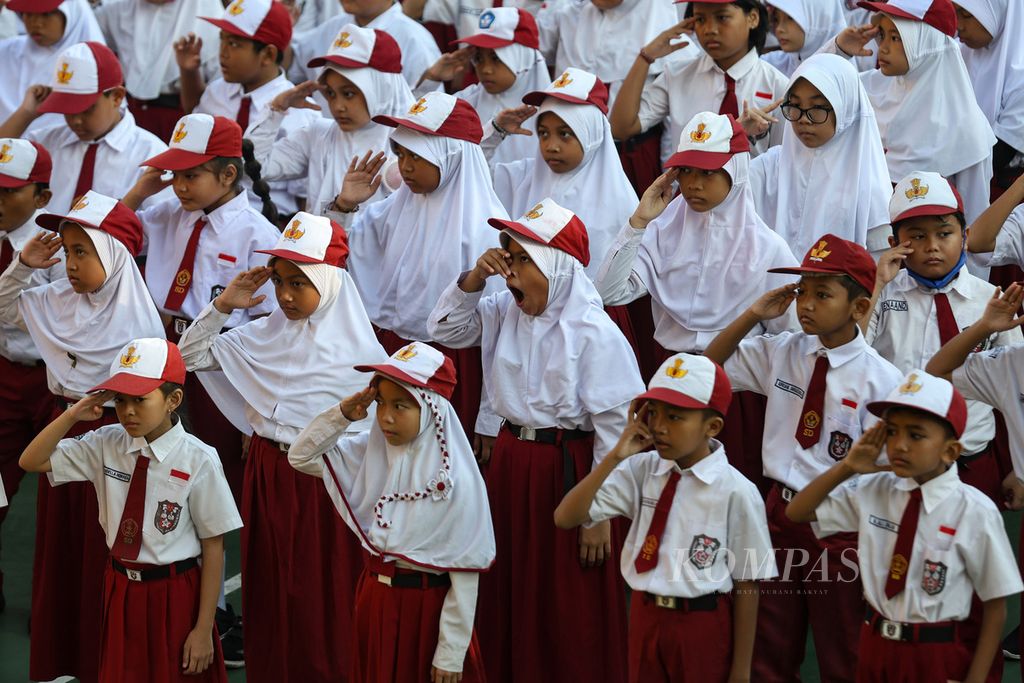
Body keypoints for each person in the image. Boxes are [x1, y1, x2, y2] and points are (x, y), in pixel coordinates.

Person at [428, 198, 645, 682]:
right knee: (508, 583)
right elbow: (444, 327)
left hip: (566, 473)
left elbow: (618, 430)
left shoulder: (594, 332)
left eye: (525, 260)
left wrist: (598, 515)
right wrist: (473, 279)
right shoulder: (506, 308)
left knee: (563, 598)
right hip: (511, 462)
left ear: (559, 269)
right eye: (510, 255)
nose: (512, 272)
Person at [178, 212, 386, 682]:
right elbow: (189, 357)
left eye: (299, 283)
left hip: (323, 485)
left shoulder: (363, 359)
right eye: (279, 281)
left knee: (320, 596)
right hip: (268, 476)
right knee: (270, 589)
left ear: (330, 283)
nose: (286, 296)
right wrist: (223, 307)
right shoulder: (263, 333)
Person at [703, 233, 903, 681]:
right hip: (776, 515)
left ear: (859, 308)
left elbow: (892, 474)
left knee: (843, 649)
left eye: (822, 294)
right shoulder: (784, 351)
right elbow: (708, 371)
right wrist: (752, 315)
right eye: (802, 292)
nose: (806, 304)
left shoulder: (883, 381)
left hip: (841, 527)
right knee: (769, 646)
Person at [0, 190, 163, 683]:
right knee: (62, 547)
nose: (70, 264)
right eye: (67, 251)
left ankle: (106, 658)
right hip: (63, 427)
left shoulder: (139, 326)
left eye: (82, 252)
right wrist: (22, 267)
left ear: (113, 256)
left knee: (105, 549)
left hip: (114, 438)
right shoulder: (58, 301)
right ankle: (66, 656)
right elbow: (7, 313)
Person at [19, 337, 243, 683]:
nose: (128, 411)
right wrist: (74, 413)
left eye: (140, 400)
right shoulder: (106, 442)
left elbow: (214, 547)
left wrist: (202, 629)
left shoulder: (199, 459)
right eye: (120, 400)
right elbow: (31, 460)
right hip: (120, 587)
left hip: (175, 592)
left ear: (174, 400)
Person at [597, 111, 797, 486]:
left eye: (708, 173)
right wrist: (639, 221)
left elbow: (791, 339)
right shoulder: (662, 232)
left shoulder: (769, 249)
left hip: (736, 395)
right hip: (670, 383)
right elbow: (610, 292)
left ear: (735, 172)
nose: (693, 184)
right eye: (686, 171)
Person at [787, 370, 1023, 683]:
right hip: (875, 643)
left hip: (933, 651)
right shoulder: (873, 489)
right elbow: (798, 513)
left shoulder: (975, 511)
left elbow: (995, 607)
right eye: (892, 432)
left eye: (915, 435)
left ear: (950, 450)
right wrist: (846, 468)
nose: (899, 445)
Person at [554, 352, 777, 682]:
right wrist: (614, 457)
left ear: (712, 426)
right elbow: (565, 517)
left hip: (700, 625)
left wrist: (741, 671)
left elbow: (748, 581)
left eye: (675, 418)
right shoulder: (641, 470)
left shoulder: (736, 491)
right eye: (654, 413)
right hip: (646, 617)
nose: (658, 427)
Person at [289, 342, 494, 683]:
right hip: (375, 599)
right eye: (381, 403)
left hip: (427, 612)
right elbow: (301, 456)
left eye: (401, 406)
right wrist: (341, 414)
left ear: (432, 410)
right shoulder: (369, 452)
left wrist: (451, 652)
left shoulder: (456, 481)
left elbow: (465, 572)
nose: (385, 417)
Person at [122, 112, 279, 502]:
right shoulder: (166, 215)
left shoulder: (257, 233)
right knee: (163, 464)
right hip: (162, 349)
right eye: (174, 176)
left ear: (228, 175)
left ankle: (216, 558)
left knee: (218, 467)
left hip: (222, 360)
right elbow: (111, 238)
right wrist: (139, 192)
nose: (178, 186)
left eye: (190, 175)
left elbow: (271, 327)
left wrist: (257, 406)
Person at [335, 90, 505, 436]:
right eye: (401, 154)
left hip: (452, 366)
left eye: (417, 156)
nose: (405, 167)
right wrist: (344, 206)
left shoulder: (485, 232)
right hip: (392, 353)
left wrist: (488, 416)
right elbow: (339, 258)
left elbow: (501, 332)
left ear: (451, 157)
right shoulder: (394, 208)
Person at [869, 171, 1020, 504]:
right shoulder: (882, 295)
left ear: (964, 237)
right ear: (894, 244)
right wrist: (877, 284)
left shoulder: (990, 300)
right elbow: (854, 356)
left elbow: (1016, 387)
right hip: (893, 460)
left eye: (944, 233)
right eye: (917, 236)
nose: (932, 246)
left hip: (970, 462)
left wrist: (1020, 468)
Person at [832, 0, 995, 225]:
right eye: (882, 35)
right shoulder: (872, 88)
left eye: (896, 38)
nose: (883, 47)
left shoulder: (965, 129)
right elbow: (810, 91)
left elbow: (975, 223)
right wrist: (839, 50)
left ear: (925, 42)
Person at [246, 23, 413, 217]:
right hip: (318, 248)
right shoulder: (318, 134)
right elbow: (253, 166)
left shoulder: (410, 146)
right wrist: (275, 109)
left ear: (381, 88)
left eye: (349, 94)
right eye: (331, 94)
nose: (337, 106)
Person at [494, 68, 639, 281]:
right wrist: (496, 131)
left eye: (565, 134)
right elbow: (468, 176)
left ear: (591, 133)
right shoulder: (525, 175)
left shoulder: (619, 202)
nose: (551, 146)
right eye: (543, 133)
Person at [539, 0, 699, 192]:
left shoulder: (661, 22)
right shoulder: (570, 13)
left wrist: (671, 182)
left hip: (632, 157)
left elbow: (674, 121)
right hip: (566, 153)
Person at [610, 0, 787, 168]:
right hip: (687, 196)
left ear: (753, 18)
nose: (709, 29)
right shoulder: (677, 75)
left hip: (751, 198)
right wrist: (646, 56)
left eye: (722, 17)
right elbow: (621, 128)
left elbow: (782, 161)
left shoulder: (777, 85)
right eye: (700, 19)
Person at [179, 0, 314, 217]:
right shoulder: (217, 92)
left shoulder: (299, 113)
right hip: (207, 216)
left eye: (234, 44)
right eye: (222, 40)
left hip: (269, 222)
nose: (222, 52)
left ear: (268, 55)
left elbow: (303, 196)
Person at [748, 52, 892, 256]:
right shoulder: (771, 166)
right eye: (795, 106)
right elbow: (718, 194)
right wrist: (733, 133)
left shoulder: (868, 186)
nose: (804, 119)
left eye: (818, 107)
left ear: (846, 108)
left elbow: (879, 266)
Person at [0, 41, 168, 213]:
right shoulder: (46, 142)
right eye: (67, 110)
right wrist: (25, 114)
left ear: (117, 97)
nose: (76, 121)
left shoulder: (151, 155)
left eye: (86, 110)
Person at [0, 137, 60, 613]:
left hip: (54, 380)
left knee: (66, 497)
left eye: (9, 192)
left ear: (42, 197)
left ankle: (61, 609)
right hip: (3, 375)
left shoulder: (64, 250)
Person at [421, 8, 549, 169]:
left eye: (496, 58)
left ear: (523, 57)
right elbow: (417, 128)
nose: (485, 69)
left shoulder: (552, 110)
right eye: (478, 58)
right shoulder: (466, 102)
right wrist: (432, 78)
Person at [95, 0, 221, 141]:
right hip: (127, 117)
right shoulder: (117, 7)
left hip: (180, 122)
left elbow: (220, 94)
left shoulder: (211, 15)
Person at [290, 0, 441, 98]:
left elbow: (428, 107)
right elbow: (291, 67)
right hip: (327, 141)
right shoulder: (332, 26)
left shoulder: (414, 38)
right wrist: (284, 30)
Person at [0, 0, 104, 132]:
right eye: (28, 13)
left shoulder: (96, 67)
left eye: (46, 14)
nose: (35, 22)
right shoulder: (6, 52)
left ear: (72, 14)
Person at [953, 0, 1024, 191]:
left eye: (967, 15)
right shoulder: (963, 53)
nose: (958, 25)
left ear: (998, 11)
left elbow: (1002, 152)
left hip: (1005, 193)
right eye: (955, 13)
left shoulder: (1020, 72)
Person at [762, 0, 847, 77]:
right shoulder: (773, 65)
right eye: (776, 19)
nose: (779, 28)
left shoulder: (839, 75)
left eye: (790, 18)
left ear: (817, 17)